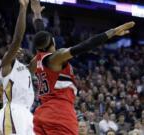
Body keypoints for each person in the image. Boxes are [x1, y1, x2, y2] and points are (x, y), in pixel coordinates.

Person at [30, 1, 135, 134]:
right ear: (53, 41)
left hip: (42, 113)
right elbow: (85, 45)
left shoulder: (40, 55)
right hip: (60, 114)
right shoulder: (56, 57)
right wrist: (113, 32)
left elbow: (40, 31)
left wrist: (37, 13)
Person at [0, 0, 35, 135]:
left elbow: (43, 55)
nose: (18, 49)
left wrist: (37, 16)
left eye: (20, 49)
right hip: (12, 110)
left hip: (27, 113)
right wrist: (23, 9)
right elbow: (18, 38)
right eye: (14, 49)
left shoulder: (27, 68)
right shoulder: (6, 65)